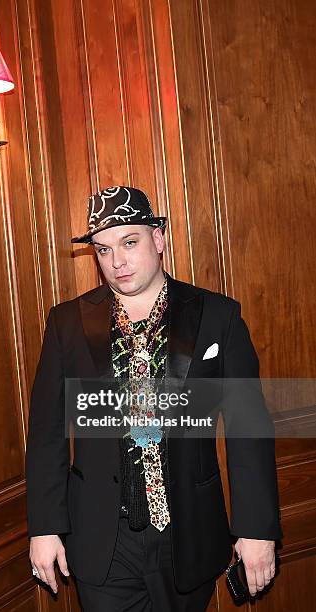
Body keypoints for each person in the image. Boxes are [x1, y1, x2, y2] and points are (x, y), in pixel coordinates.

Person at [26, 186, 282, 611]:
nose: (117, 262)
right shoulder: (67, 323)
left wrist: (257, 529)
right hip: (103, 541)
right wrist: (45, 527)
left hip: (188, 534)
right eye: (103, 250)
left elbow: (248, 428)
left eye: (129, 242)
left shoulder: (219, 316)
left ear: (159, 237)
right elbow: (46, 431)